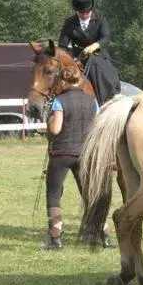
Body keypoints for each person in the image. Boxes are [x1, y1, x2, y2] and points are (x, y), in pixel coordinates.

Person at [43, 65, 112, 249]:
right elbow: (97, 127)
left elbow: (56, 129)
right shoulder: (92, 101)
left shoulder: (59, 101)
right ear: (80, 80)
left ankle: (55, 236)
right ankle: (103, 232)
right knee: (91, 193)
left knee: (54, 193)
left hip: (62, 153)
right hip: (86, 153)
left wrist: (49, 122)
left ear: (63, 81)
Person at [59, 0, 121, 105]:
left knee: (106, 76)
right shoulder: (69, 23)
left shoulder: (100, 18)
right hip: (78, 57)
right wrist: (73, 58)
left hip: (98, 55)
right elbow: (62, 46)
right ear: (77, 11)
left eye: (87, 12)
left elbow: (105, 37)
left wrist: (94, 46)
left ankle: (109, 100)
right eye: (82, 12)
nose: (85, 15)